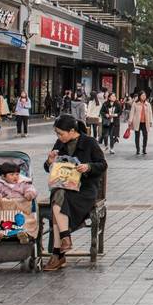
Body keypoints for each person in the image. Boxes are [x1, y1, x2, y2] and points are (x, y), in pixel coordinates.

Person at [42, 115, 107, 271]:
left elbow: (102, 164)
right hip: (63, 186)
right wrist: (49, 161)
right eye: (57, 134)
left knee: (57, 202)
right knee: (58, 195)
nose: (58, 137)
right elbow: (48, 168)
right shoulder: (60, 143)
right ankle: (64, 240)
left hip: (84, 189)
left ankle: (58, 253)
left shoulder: (89, 142)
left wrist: (88, 167)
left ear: (72, 131)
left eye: (61, 133)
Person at [130, 91, 151, 155]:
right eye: (142, 95)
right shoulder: (135, 103)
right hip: (137, 122)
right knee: (137, 136)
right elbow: (132, 112)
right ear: (139, 96)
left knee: (145, 136)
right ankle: (138, 149)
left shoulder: (148, 104)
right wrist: (130, 121)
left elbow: (150, 113)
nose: (144, 97)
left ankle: (144, 148)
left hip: (145, 122)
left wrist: (150, 121)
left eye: (145, 96)